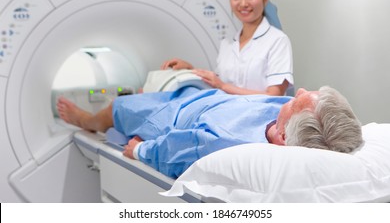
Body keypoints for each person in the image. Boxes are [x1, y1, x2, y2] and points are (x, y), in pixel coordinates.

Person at [57, 86, 362, 178]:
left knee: (120, 107)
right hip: (209, 96)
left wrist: (139, 150)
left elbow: (177, 150)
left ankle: (89, 120)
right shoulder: (292, 122)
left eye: (298, 99)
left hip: (173, 116)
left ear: (283, 137)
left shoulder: (227, 145)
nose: (300, 89)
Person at [161, 0, 294, 96]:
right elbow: (217, 83)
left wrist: (223, 86)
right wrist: (189, 70)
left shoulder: (277, 40)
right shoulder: (228, 43)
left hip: (263, 115)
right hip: (227, 111)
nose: (243, 3)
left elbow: (274, 95)